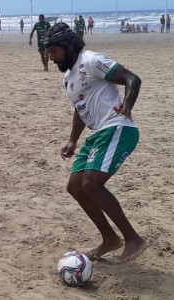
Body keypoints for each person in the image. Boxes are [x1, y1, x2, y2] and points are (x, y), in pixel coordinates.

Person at [43, 22, 147, 264]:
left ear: (68, 48)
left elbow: (133, 79)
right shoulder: (68, 78)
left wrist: (127, 105)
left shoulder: (91, 60)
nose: (52, 58)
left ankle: (133, 239)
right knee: (75, 186)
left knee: (91, 183)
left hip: (118, 127)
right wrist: (72, 140)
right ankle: (110, 238)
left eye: (55, 52)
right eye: (49, 53)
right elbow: (80, 109)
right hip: (97, 133)